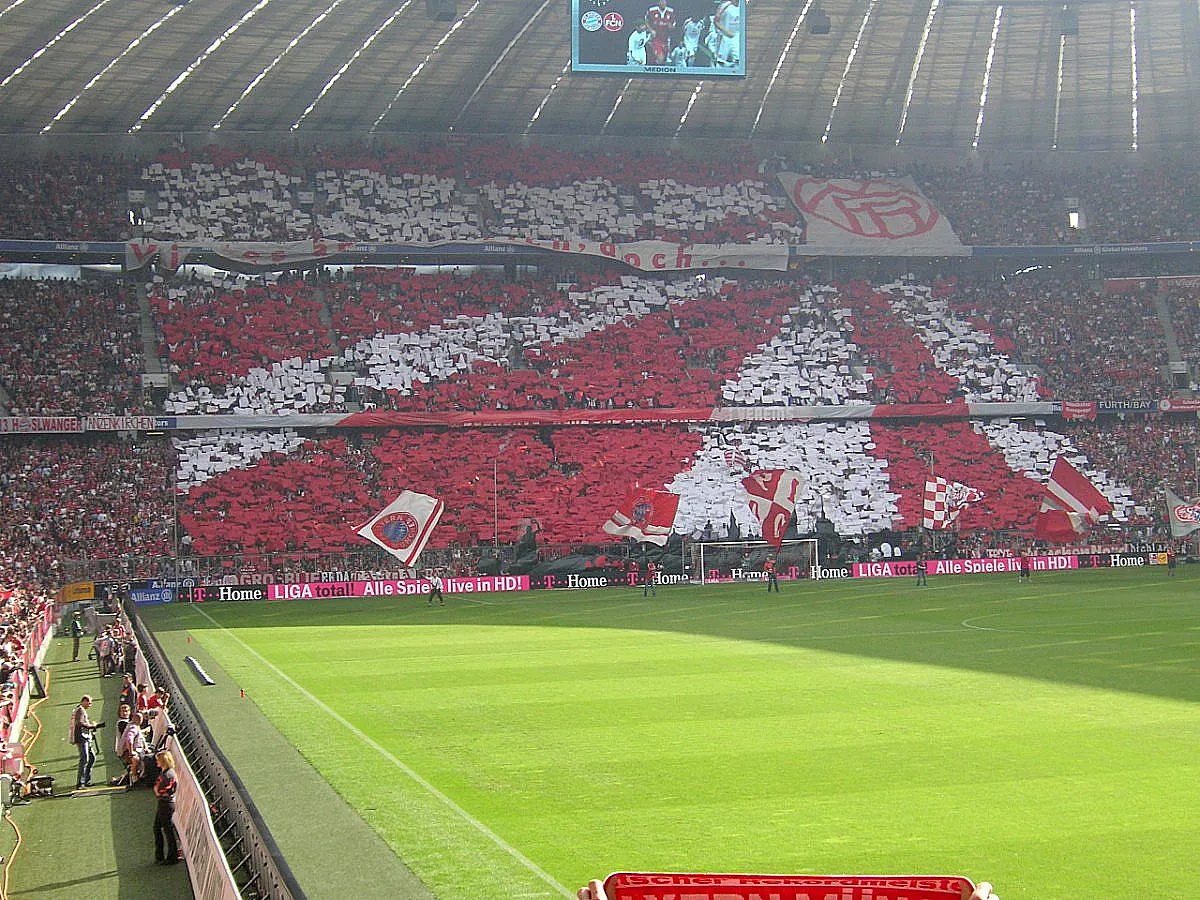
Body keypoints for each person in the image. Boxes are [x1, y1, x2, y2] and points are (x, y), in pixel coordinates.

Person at [69, 695, 103, 789]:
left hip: (85, 737)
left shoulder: (80, 710)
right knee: (85, 759)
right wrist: (91, 726)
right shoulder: (80, 710)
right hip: (81, 738)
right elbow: (79, 723)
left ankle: (86, 780)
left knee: (91, 757)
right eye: (89, 703)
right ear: (84, 701)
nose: (90, 705)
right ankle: (80, 783)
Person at [153, 750, 180, 864]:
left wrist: (158, 791)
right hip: (164, 803)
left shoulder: (168, 775)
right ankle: (161, 855)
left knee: (167, 830)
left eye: (158, 760)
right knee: (158, 828)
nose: (156, 762)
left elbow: (162, 790)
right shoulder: (166, 773)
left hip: (166, 804)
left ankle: (171, 856)